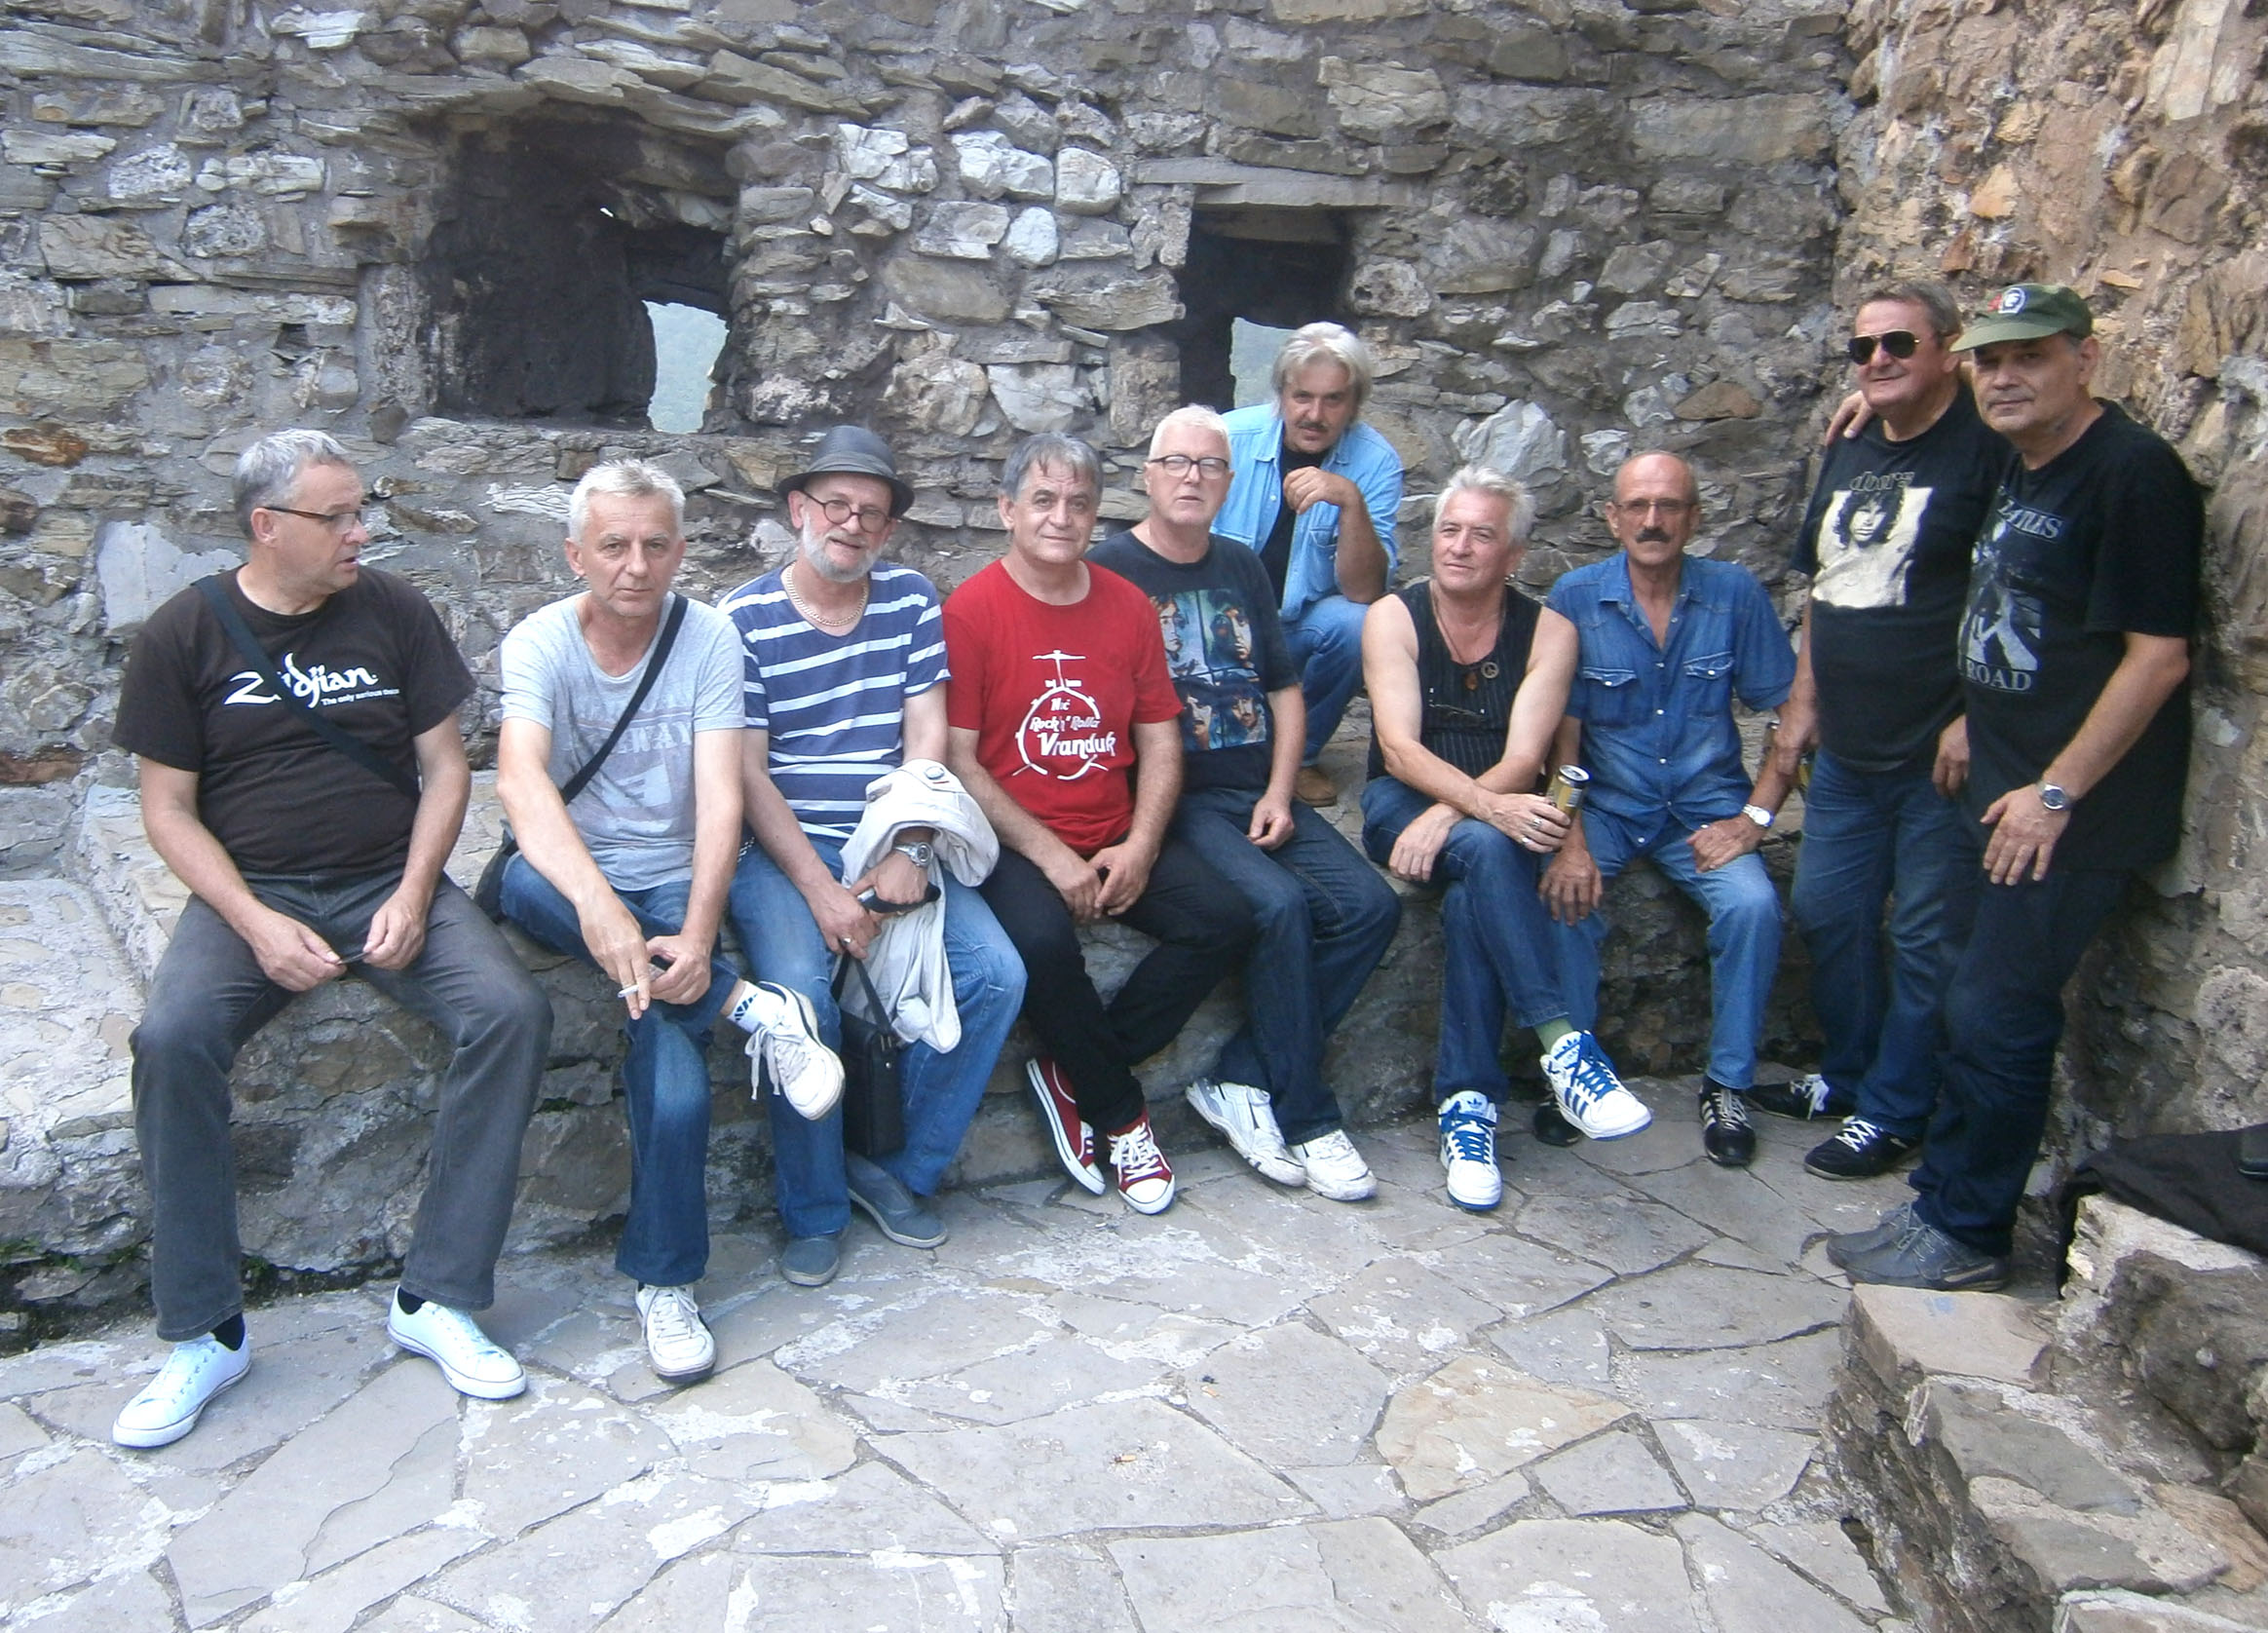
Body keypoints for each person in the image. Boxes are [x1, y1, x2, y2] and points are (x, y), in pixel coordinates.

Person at [109, 428, 550, 1449]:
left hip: (387, 877)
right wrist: (255, 921)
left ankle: (438, 1295)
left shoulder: (394, 611)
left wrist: (414, 892)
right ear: (267, 526)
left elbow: (448, 769)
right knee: (171, 1039)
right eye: (339, 516)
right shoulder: (184, 634)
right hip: (254, 891)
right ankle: (206, 1331)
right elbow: (166, 809)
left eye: (364, 511)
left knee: (509, 1011)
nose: (362, 532)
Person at [1831, 284, 2200, 1290]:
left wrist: (2057, 791)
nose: (2005, 377)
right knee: (1963, 1000)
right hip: (1994, 784)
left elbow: (2158, 656)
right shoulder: (2023, 461)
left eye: (2030, 356)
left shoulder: (2130, 474)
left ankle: (1970, 1231)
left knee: (1999, 1013)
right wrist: (1973, 718)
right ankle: (1941, 1198)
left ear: (2085, 358)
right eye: (1991, 359)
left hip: (2067, 815)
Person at [495, 459, 840, 1385]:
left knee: (678, 1094)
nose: (635, 566)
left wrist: (694, 934)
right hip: (575, 878)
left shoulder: (710, 640)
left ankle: (666, 1283)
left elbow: (722, 796)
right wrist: (599, 907)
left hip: (675, 886)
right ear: (576, 554)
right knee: (522, 884)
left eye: (655, 545)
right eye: (613, 545)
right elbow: (520, 782)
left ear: (681, 551)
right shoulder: (540, 643)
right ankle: (747, 1006)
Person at [719, 427, 1024, 1289]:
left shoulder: (910, 602)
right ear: (798, 510)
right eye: (835, 505)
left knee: (995, 975)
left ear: (888, 529)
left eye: (871, 513)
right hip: (784, 848)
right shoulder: (740, 620)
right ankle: (812, 1209)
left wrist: (912, 845)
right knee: (800, 1001)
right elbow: (748, 773)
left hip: (893, 828)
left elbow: (927, 733)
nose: (851, 524)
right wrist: (820, 889)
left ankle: (891, 1171)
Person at [1092, 406, 1401, 1202]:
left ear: (1231, 483)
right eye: (1176, 462)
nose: (1192, 477)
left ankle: (1242, 1076)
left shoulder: (1241, 565)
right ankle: (1308, 1115)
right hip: (1179, 800)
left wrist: (1279, 790)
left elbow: (1284, 689)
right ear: (1148, 475)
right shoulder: (1110, 571)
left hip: (1254, 788)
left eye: (1210, 465)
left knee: (1370, 907)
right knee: (1276, 905)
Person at [944, 433, 1256, 1216]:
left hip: (1114, 826)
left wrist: (1141, 845)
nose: (1062, 517)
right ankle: (1121, 1117)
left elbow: (1160, 738)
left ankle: (1073, 1069)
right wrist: (1051, 855)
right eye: (1043, 500)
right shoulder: (971, 612)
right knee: (1044, 944)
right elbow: (960, 761)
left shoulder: (1126, 606)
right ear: (1007, 510)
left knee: (1224, 919)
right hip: (1015, 838)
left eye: (1079, 504)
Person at [1760, 280, 2009, 1180]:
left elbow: (2013, 591)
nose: (1877, 361)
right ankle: (1851, 1073)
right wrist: (1803, 702)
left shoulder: (1988, 449)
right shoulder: (1853, 443)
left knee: (1925, 939)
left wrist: (1976, 716)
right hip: (1849, 748)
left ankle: (1897, 1109)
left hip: (1936, 750)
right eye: (1863, 348)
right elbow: (1826, 586)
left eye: (1899, 344)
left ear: (1949, 349)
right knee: (1829, 913)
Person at [1359, 465, 1651, 1211]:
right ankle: (1563, 1045)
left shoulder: (1549, 632)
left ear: (1514, 555)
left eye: (1481, 535)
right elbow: (1398, 751)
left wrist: (1459, 813)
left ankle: (1468, 1108)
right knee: (1492, 848)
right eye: (1449, 530)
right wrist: (1468, 809)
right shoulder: (1394, 616)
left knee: (1473, 893)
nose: (1458, 547)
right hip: (1402, 805)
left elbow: (1526, 757)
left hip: (1488, 807)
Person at [1543, 452, 1798, 1168]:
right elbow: (1559, 734)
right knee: (1563, 899)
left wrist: (1756, 818)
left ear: (1694, 517)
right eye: (1638, 506)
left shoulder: (1734, 594)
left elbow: (1791, 710)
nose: (1652, 521)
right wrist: (1570, 838)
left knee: (1752, 906)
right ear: (1612, 517)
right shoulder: (1575, 597)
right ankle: (1575, 1078)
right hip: (1610, 806)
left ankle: (1728, 1084)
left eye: (1669, 506)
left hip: (1704, 807)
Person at [1215, 323, 1405, 807]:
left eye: (1333, 400)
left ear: (1354, 403)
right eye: (1302, 396)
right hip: (1221, 623)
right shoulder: (1229, 439)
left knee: (1360, 623)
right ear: (1281, 392)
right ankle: (1225, 751)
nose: (1315, 415)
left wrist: (1350, 502)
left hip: (1297, 627)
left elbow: (1366, 592)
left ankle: (1298, 755)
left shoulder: (1376, 462)